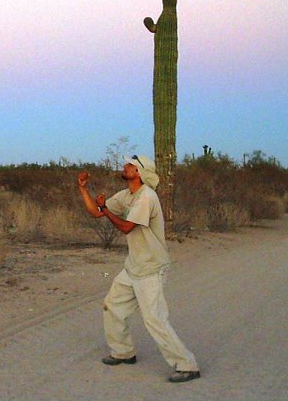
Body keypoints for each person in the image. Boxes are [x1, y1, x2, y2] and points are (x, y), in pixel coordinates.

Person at [77, 155, 200, 383]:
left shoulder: (146, 197)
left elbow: (126, 227)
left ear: (140, 173)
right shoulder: (127, 195)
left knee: (154, 319)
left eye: (131, 165)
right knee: (112, 306)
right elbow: (96, 212)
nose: (126, 167)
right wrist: (84, 189)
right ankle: (123, 352)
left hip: (151, 267)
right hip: (133, 266)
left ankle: (187, 364)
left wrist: (105, 208)